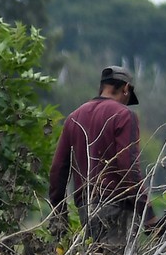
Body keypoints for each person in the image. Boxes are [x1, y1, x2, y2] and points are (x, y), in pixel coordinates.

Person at [48, 65, 155, 245]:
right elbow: (128, 169)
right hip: (116, 207)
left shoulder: (73, 118)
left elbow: (58, 170)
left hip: (85, 207)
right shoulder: (124, 115)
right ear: (126, 89)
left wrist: (59, 215)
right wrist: (148, 214)